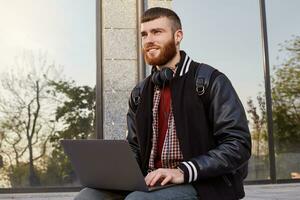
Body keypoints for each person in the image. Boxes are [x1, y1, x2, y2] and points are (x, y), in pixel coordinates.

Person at [74, 7, 251, 200]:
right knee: (88, 196)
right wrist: (115, 173)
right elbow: (134, 147)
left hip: (201, 182)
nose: (149, 39)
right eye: (144, 34)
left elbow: (238, 144)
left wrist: (183, 171)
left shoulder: (210, 81)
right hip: (150, 181)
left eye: (157, 32)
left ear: (178, 36)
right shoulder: (140, 93)